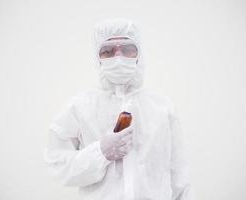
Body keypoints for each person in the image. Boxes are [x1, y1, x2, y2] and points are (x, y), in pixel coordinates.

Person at [43, 18, 194, 200]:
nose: (118, 57)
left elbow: (179, 175)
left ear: (139, 54)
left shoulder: (162, 108)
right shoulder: (80, 107)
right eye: (107, 51)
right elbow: (57, 164)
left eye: (128, 49)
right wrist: (100, 153)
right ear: (97, 57)